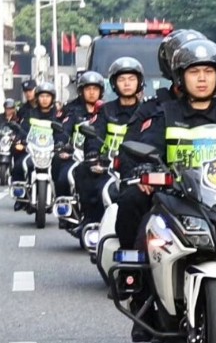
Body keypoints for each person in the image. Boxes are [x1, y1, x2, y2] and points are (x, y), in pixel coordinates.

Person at [112, 39, 216, 340]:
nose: (202, 78)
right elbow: (139, 148)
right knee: (131, 202)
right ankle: (139, 288)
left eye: (208, 72)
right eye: (194, 72)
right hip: (176, 197)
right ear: (180, 77)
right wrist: (143, 171)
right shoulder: (163, 112)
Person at [77, 58, 144, 225]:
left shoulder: (148, 111)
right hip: (108, 167)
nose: (127, 84)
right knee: (84, 174)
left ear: (140, 82)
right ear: (114, 84)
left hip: (138, 169)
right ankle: (90, 222)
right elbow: (95, 133)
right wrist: (93, 153)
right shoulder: (106, 110)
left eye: (131, 79)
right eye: (122, 79)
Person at [10, 81, 67, 207]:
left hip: (51, 150)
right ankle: (20, 196)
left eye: (47, 96)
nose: (45, 99)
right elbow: (23, 129)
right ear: (37, 98)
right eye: (42, 96)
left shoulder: (57, 116)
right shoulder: (30, 113)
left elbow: (63, 132)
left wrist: (61, 143)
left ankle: (60, 198)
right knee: (19, 165)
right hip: (34, 149)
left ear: (52, 98)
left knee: (61, 169)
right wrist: (21, 139)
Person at [57, 71, 104, 199]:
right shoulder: (73, 111)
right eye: (88, 89)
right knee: (63, 178)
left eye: (95, 89)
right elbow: (64, 130)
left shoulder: (107, 111)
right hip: (76, 156)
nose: (92, 92)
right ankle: (65, 211)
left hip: (102, 158)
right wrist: (62, 144)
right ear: (81, 91)